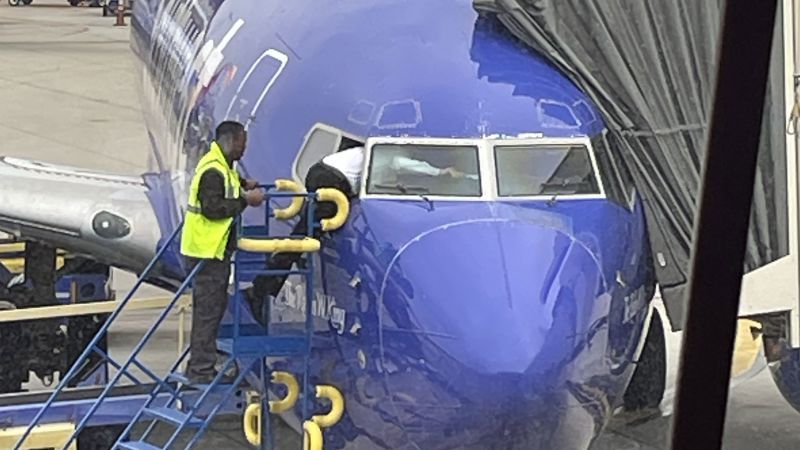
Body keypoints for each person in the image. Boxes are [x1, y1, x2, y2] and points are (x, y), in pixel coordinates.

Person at [243, 145, 463, 319]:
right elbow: (410, 165)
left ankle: (265, 286)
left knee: (303, 234)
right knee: (308, 232)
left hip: (322, 172)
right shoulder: (389, 158)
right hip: (329, 178)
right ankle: (261, 288)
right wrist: (440, 171)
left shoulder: (370, 156)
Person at [180, 120, 265, 383]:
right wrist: (245, 201)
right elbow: (212, 207)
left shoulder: (220, 165)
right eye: (242, 142)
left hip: (212, 251)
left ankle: (199, 365)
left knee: (213, 308)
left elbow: (227, 182)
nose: (244, 148)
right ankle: (201, 371)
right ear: (230, 140)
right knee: (209, 310)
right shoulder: (213, 171)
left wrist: (243, 183)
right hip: (207, 252)